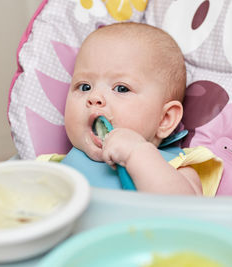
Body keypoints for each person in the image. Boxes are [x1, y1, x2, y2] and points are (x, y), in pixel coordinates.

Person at [60, 22, 222, 196]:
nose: (94, 97)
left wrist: (136, 153)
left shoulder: (176, 169)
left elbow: (185, 211)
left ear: (165, 119)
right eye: (84, 87)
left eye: (121, 88)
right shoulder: (55, 170)